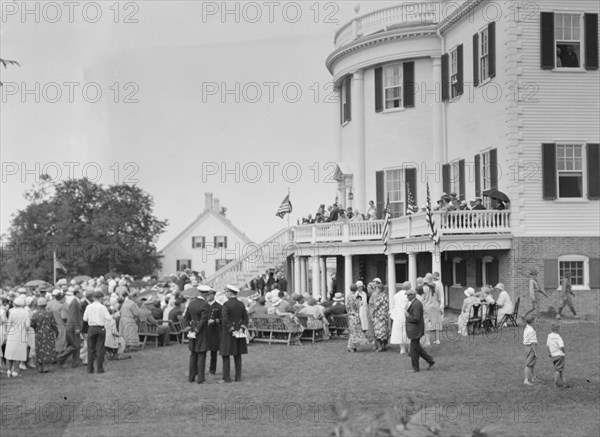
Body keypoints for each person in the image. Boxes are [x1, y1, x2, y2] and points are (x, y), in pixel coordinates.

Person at [219, 285, 249, 383]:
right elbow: (245, 318)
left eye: (226, 292)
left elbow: (225, 319)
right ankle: (238, 377)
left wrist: (231, 329)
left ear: (230, 292)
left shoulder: (226, 304)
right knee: (237, 354)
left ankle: (226, 377)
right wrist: (241, 328)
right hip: (239, 331)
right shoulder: (241, 304)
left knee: (226, 355)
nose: (225, 294)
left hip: (228, 333)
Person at [183, 285, 210, 384]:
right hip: (201, 331)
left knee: (193, 354)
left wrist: (188, 328)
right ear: (206, 294)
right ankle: (201, 378)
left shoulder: (191, 303)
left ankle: (191, 377)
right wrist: (197, 330)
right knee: (201, 354)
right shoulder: (205, 305)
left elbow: (186, 317)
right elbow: (203, 320)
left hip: (192, 328)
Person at [405, 287, 435, 372]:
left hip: (416, 330)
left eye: (408, 295)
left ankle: (416, 368)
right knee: (417, 348)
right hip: (416, 330)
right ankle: (430, 360)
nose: (407, 297)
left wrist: (408, 316)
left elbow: (416, 318)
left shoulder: (416, 304)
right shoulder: (415, 303)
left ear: (412, 295)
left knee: (414, 350)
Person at [83, 292, 114, 373]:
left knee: (90, 349)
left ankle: (90, 369)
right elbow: (108, 318)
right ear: (101, 298)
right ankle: (99, 369)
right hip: (100, 328)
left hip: (91, 328)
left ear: (93, 298)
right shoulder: (102, 307)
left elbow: (85, 319)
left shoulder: (88, 306)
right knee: (100, 349)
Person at [30, 298, 58, 373]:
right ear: (45, 305)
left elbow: (32, 324)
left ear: (38, 305)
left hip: (39, 334)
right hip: (48, 334)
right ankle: (46, 367)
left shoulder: (35, 313)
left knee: (39, 350)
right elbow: (54, 324)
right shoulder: (50, 313)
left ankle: (40, 367)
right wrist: (56, 332)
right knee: (47, 350)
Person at [57, 288, 83, 368]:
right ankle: (60, 358)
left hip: (71, 326)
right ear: (77, 293)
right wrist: (76, 327)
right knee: (74, 346)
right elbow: (73, 316)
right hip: (73, 327)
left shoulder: (73, 302)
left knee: (76, 346)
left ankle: (75, 363)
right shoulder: (74, 303)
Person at [5, 297, 31, 377]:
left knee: (10, 353)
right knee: (18, 353)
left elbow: (9, 323)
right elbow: (27, 325)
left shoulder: (12, 312)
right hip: (21, 335)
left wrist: (7, 333)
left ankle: (9, 370)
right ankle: (15, 371)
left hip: (12, 334)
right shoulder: (26, 312)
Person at [346, 284, 372, 352]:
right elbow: (359, 305)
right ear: (356, 289)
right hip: (355, 316)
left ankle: (352, 346)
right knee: (355, 331)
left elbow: (347, 307)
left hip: (350, 315)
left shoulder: (348, 296)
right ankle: (351, 347)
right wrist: (360, 302)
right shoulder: (354, 297)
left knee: (353, 331)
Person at [368, 283, 390, 351]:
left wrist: (371, 312)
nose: (376, 289)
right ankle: (383, 346)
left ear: (380, 289)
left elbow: (376, 306)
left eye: (377, 288)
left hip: (379, 316)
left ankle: (380, 347)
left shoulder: (381, 296)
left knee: (378, 331)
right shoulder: (385, 296)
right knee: (383, 331)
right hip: (384, 316)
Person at [390, 281, 410, 354]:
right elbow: (408, 305)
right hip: (405, 315)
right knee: (408, 332)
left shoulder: (396, 295)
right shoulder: (407, 295)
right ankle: (409, 348)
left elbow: (393, 305)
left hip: (398, 316)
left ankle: (402, 348)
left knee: (400, 332)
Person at [206, 288, 222, 377]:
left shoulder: (219, 306)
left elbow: (223, 319)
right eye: (207, 294)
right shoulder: (204, 305)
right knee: (201, 352)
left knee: (213, 353)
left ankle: (212, 370)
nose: (207, 296)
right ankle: (199, 369)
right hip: (205, 331)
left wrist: (215, 321)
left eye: (209, 294)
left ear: (213, 295)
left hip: (214, 332)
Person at [422, 274, 442, 344]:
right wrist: (439, 306)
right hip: (436, 306)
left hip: (427, 307)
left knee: (427, 324)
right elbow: (439, 298)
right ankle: (437, 340)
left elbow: (422, 299)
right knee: (436, 323)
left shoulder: (424, 288)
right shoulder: (436, 287)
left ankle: (427, 341)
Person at [547, 323, 566, 387]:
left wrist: (549, 352)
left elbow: (548, 345)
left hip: (553, 355)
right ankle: (556, 383)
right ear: (558, 330)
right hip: (560, 355)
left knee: (560, 369)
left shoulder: (549, 337)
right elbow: (561, 346)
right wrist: (564, 352)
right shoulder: (558, 337)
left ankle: (564, 382)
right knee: (558, 370)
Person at [523, 314, 538, 386]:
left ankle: (534, 377)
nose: (536, 322)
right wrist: (535, 352)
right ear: (532, 322)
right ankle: (526, 379)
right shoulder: (531, 330)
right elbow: (532, 343)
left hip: (527, 348)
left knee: (532, 364)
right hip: (530, 348)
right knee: (528, 364)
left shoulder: (527, 328)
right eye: (535, 321)